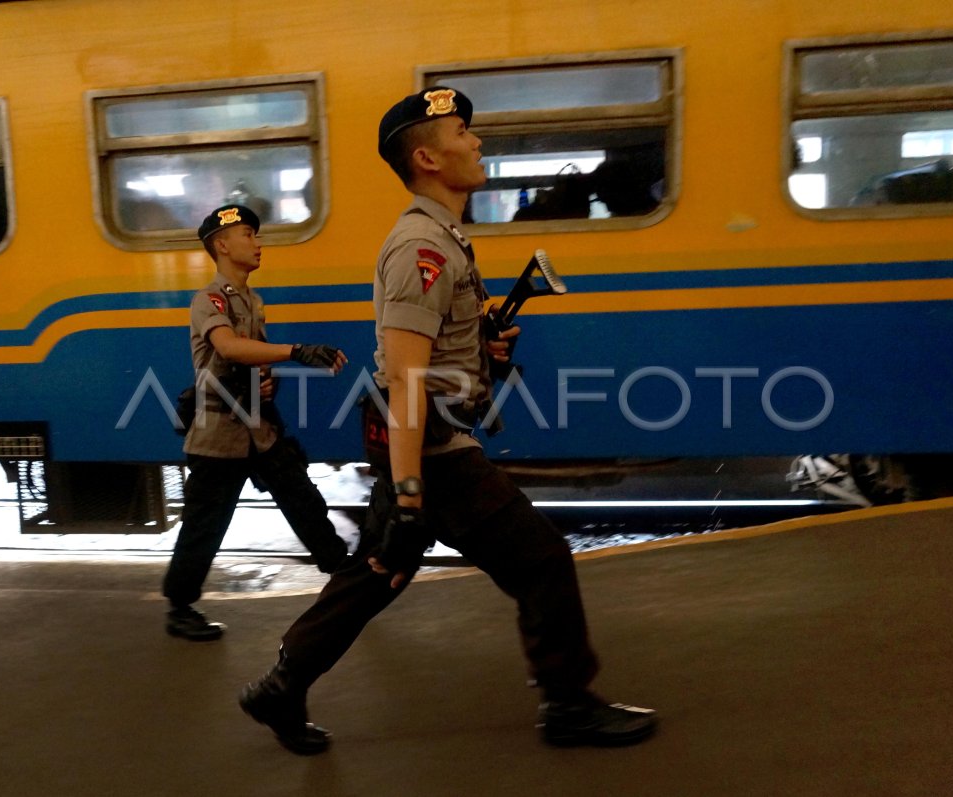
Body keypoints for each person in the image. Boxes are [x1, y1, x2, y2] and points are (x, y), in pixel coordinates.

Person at [237, 88, 657, 754]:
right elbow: (406, 376)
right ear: (428, 156)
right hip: (431, 445)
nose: (477, 141)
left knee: (379, 570)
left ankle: (280, 685)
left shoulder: (443, 237)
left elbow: (431, 354)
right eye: (464, 131)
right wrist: (409, 492)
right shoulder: (420, 248)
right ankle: (569, 702)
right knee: (542, 559)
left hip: (424, 433)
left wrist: (482, 347)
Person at [162, 204, 350, 641]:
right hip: (219, 436)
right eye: (249, 234)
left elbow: (253, 358)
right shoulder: (208, 299)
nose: (258, 241)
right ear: (223, 245)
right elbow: (228, 348)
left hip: (259, 430)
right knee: (205, 525)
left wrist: (268, 382)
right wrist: (297, 351)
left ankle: (345, 578)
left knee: (303, 501)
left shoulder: (251, 300)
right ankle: (180, 607)